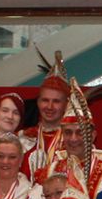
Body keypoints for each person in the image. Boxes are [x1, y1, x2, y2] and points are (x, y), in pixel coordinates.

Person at [21, 48, 73, 179]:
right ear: (38, 102)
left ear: (66, 104)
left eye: (56, 101)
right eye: (45, 100)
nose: (49, 107)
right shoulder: (22, 139)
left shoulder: (74, 142)